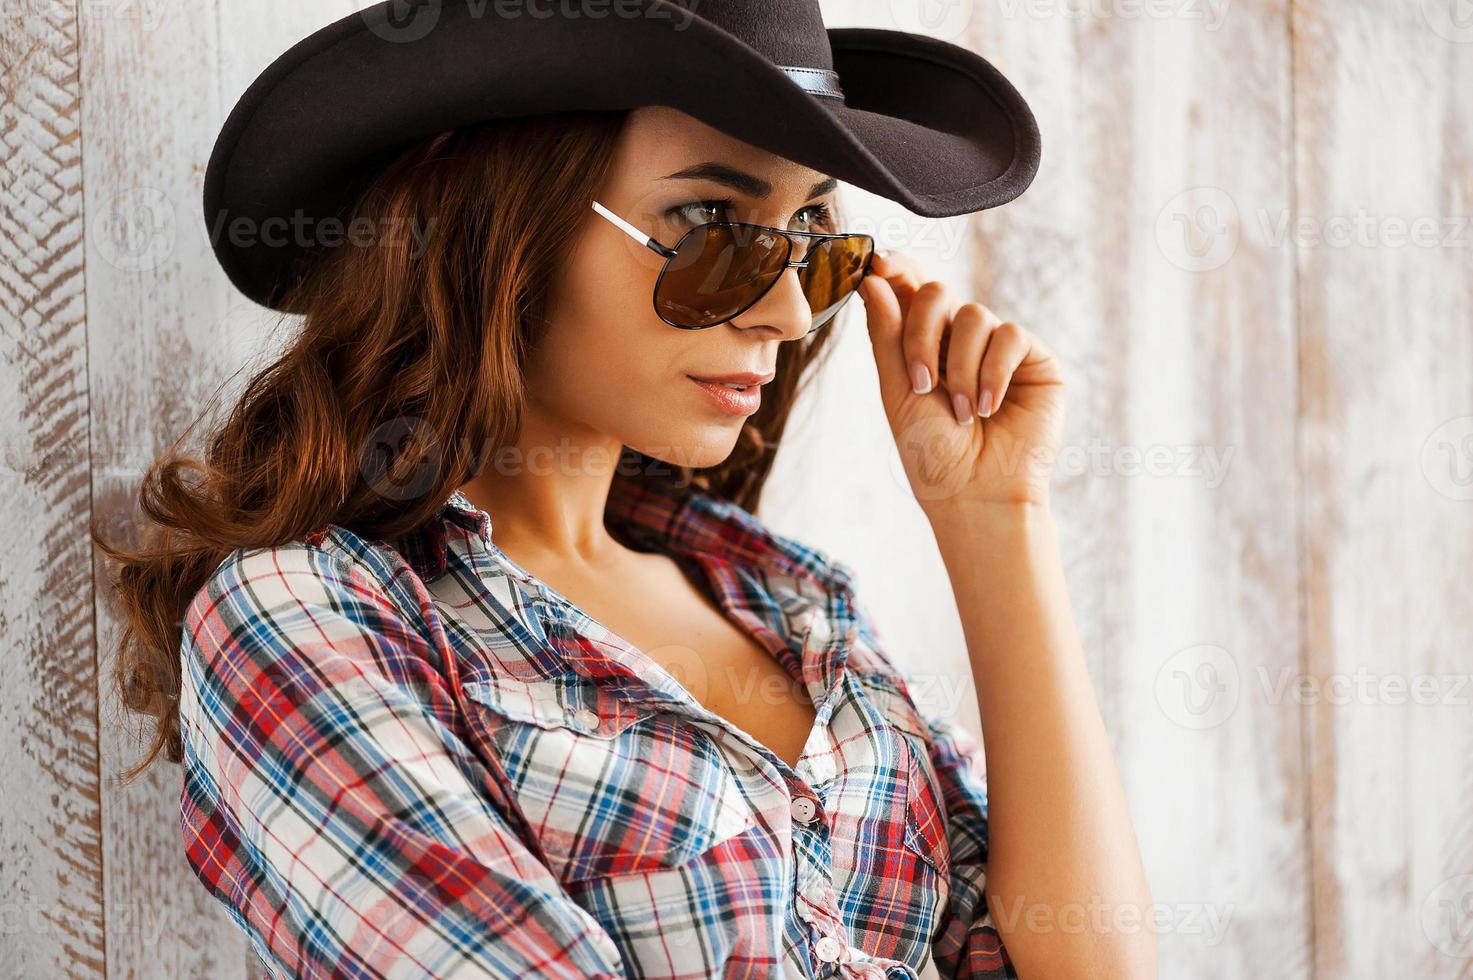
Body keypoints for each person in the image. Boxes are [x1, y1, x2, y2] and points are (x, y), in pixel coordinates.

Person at [97, 2, 1155, 977]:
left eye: (813, 242)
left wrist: (996, 521)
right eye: (707, 224)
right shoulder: (307, 620)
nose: (788, 313)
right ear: (499, 220)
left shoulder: (785, 603)